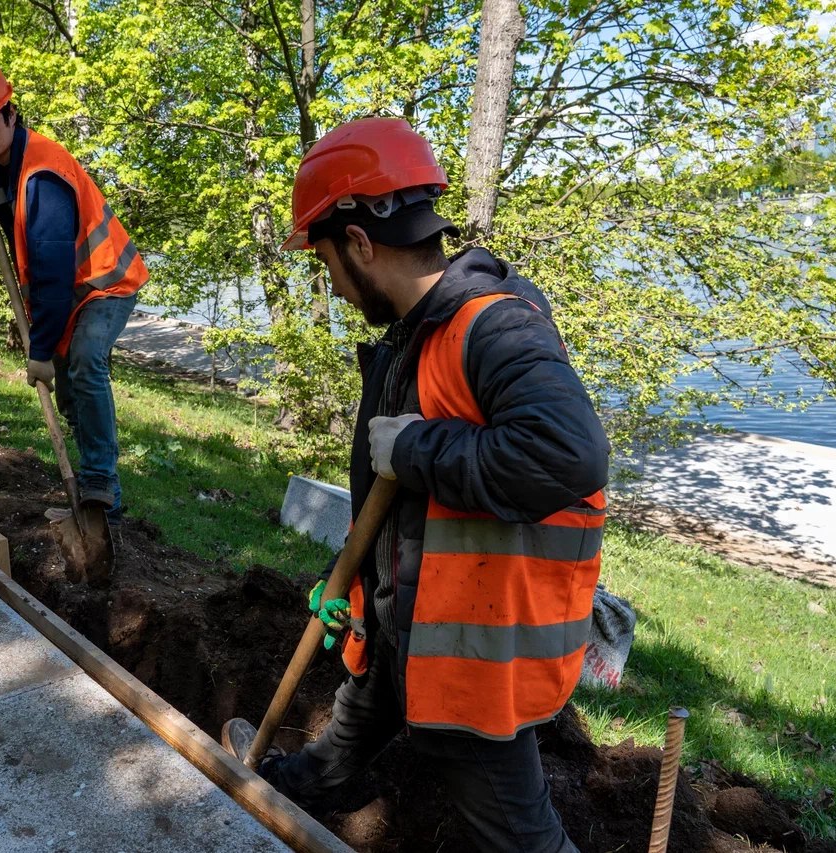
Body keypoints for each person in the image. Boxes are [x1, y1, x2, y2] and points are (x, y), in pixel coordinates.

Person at [222, 117, 610, 852]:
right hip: (413, 621)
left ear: (362, 244)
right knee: (356, 718)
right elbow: (395, 498)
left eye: (327, 261)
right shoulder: (414, 333)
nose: (331, 284)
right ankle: (301, 783)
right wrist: (343, 578)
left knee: (516, 832)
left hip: (474, 655)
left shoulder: (493, 329)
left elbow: (571, 454)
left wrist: (421, 445)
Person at [0, 56, 147, 525]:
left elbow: (52, 274)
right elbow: (12, 191)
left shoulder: (43, 178)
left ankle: (101, 486)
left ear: (10, 113)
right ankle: (96, 487)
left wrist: (38, 350)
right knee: (72, 393)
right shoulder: (13, 163)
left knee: (84, 361)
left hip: (106, 283)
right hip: (73, 294)